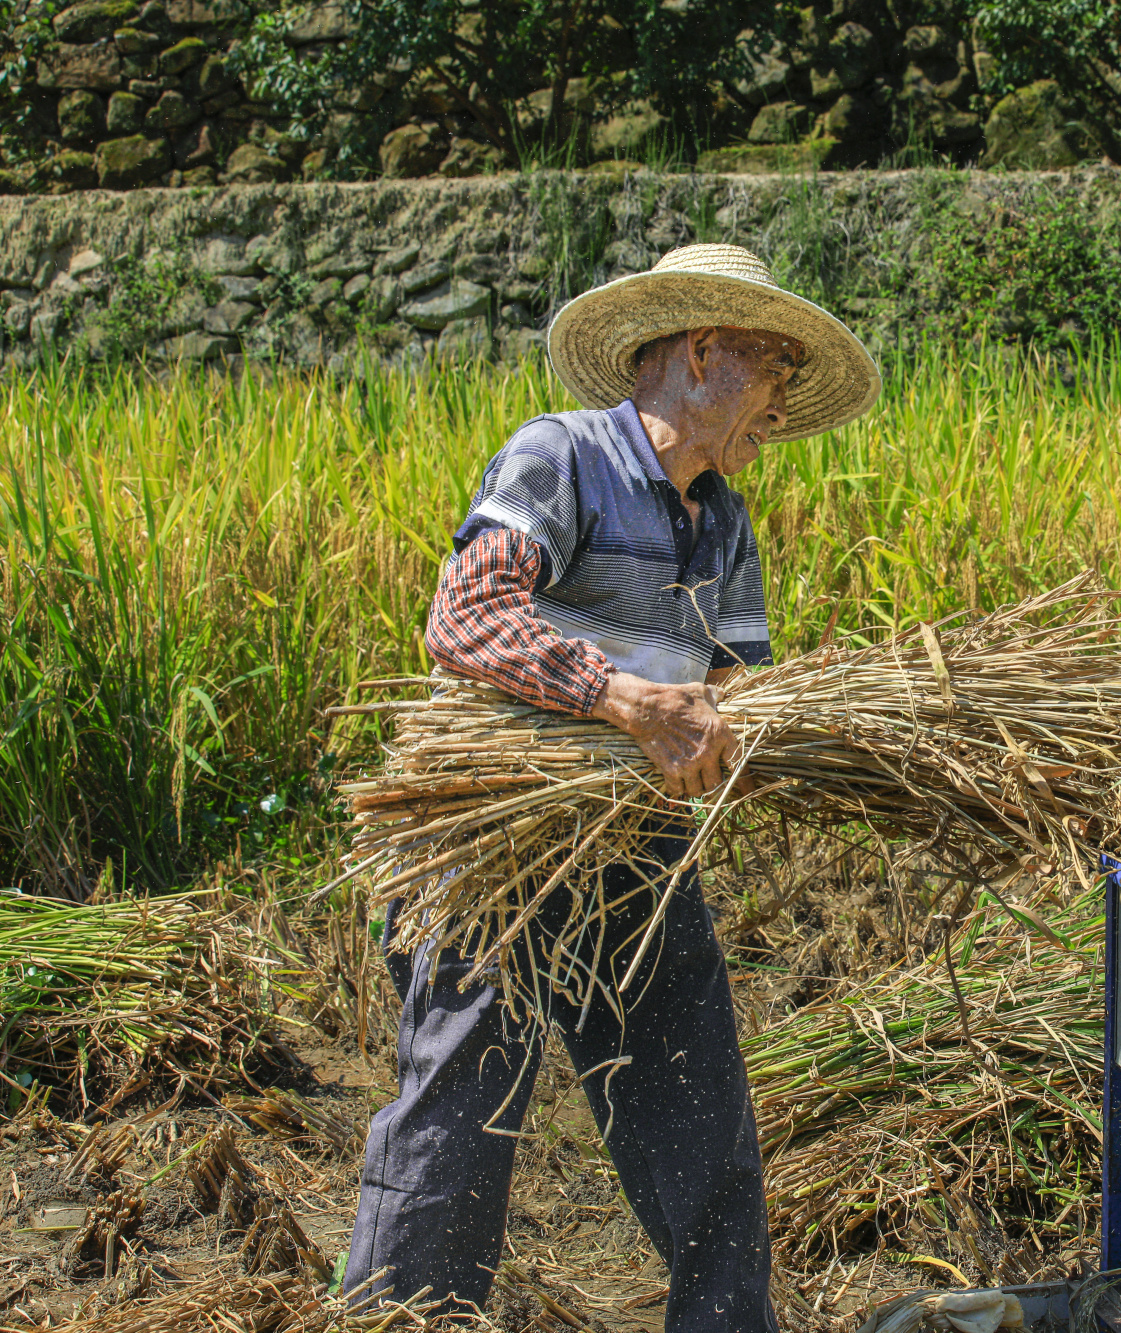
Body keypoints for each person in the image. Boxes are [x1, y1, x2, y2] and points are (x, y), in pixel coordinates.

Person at [344, 243, 881, 1331]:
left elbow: (730, 691)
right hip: (490, 835)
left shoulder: (721, 520)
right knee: (457, 1117)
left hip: (628, 847)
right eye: (773, 367)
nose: (778, 401)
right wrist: (629, 702)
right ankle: (398, 1321)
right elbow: (468, 619)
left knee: (701, 1115)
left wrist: (808, 723)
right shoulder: (562, 457)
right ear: (699, 351)